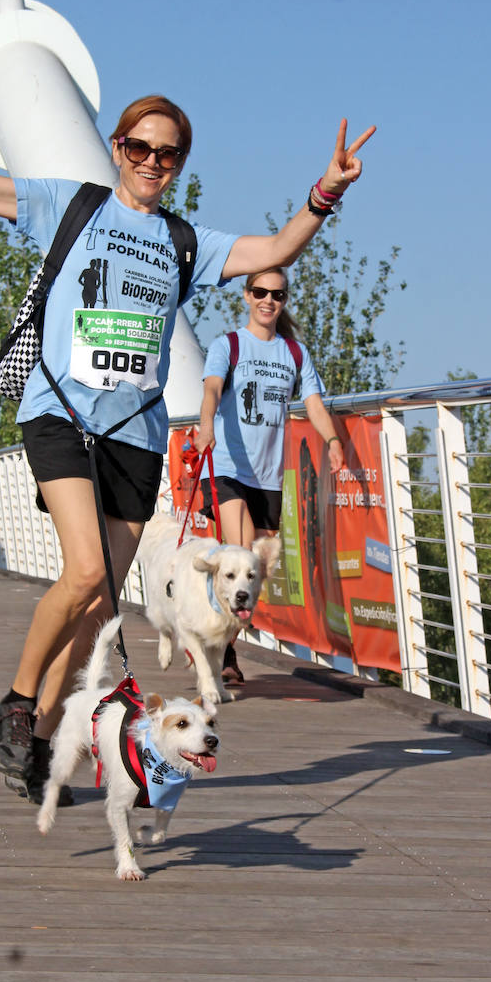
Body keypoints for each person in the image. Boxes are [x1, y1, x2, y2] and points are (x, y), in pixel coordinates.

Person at [0, 27, 374, 803]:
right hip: (59, 414)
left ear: (179, 165)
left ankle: (41, 739)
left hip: (137, 434)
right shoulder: (68, 205)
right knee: (85, 572)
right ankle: (18, 707)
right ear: (117, 147)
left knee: (98, 608)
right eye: (139, 148)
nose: (152, 163)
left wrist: (328, 190)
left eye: (169, 154)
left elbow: (279, 245)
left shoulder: (186, 242)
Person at [195, 267, 345, 682]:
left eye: (277, 295)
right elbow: (211, 388)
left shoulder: (294, 353)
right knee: (238, 553)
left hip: (267, 477)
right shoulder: (228, 345)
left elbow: (313, 403)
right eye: (260, 292)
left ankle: (212, 635)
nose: (268, 301)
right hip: (226, 465)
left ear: (284, 301)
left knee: (251, 571)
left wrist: (333, 441)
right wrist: (206, 422)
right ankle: (225, 656)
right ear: (246, 295)